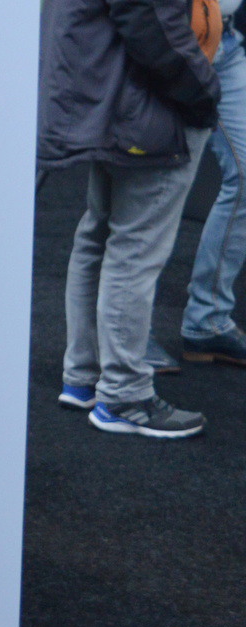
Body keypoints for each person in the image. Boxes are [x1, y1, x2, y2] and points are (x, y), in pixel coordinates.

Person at [41, 0, 221, 438]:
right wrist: (203, 92)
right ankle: (123, 394)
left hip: (114, 94)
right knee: (134, 246)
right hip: (148, 101)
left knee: (101, 234)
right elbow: (151, 22)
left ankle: (85, 377)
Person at [181, 2, 246, 366]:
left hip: (227, 40)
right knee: (147, 194)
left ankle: (208, 320)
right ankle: (124, 339)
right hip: (174, 45)